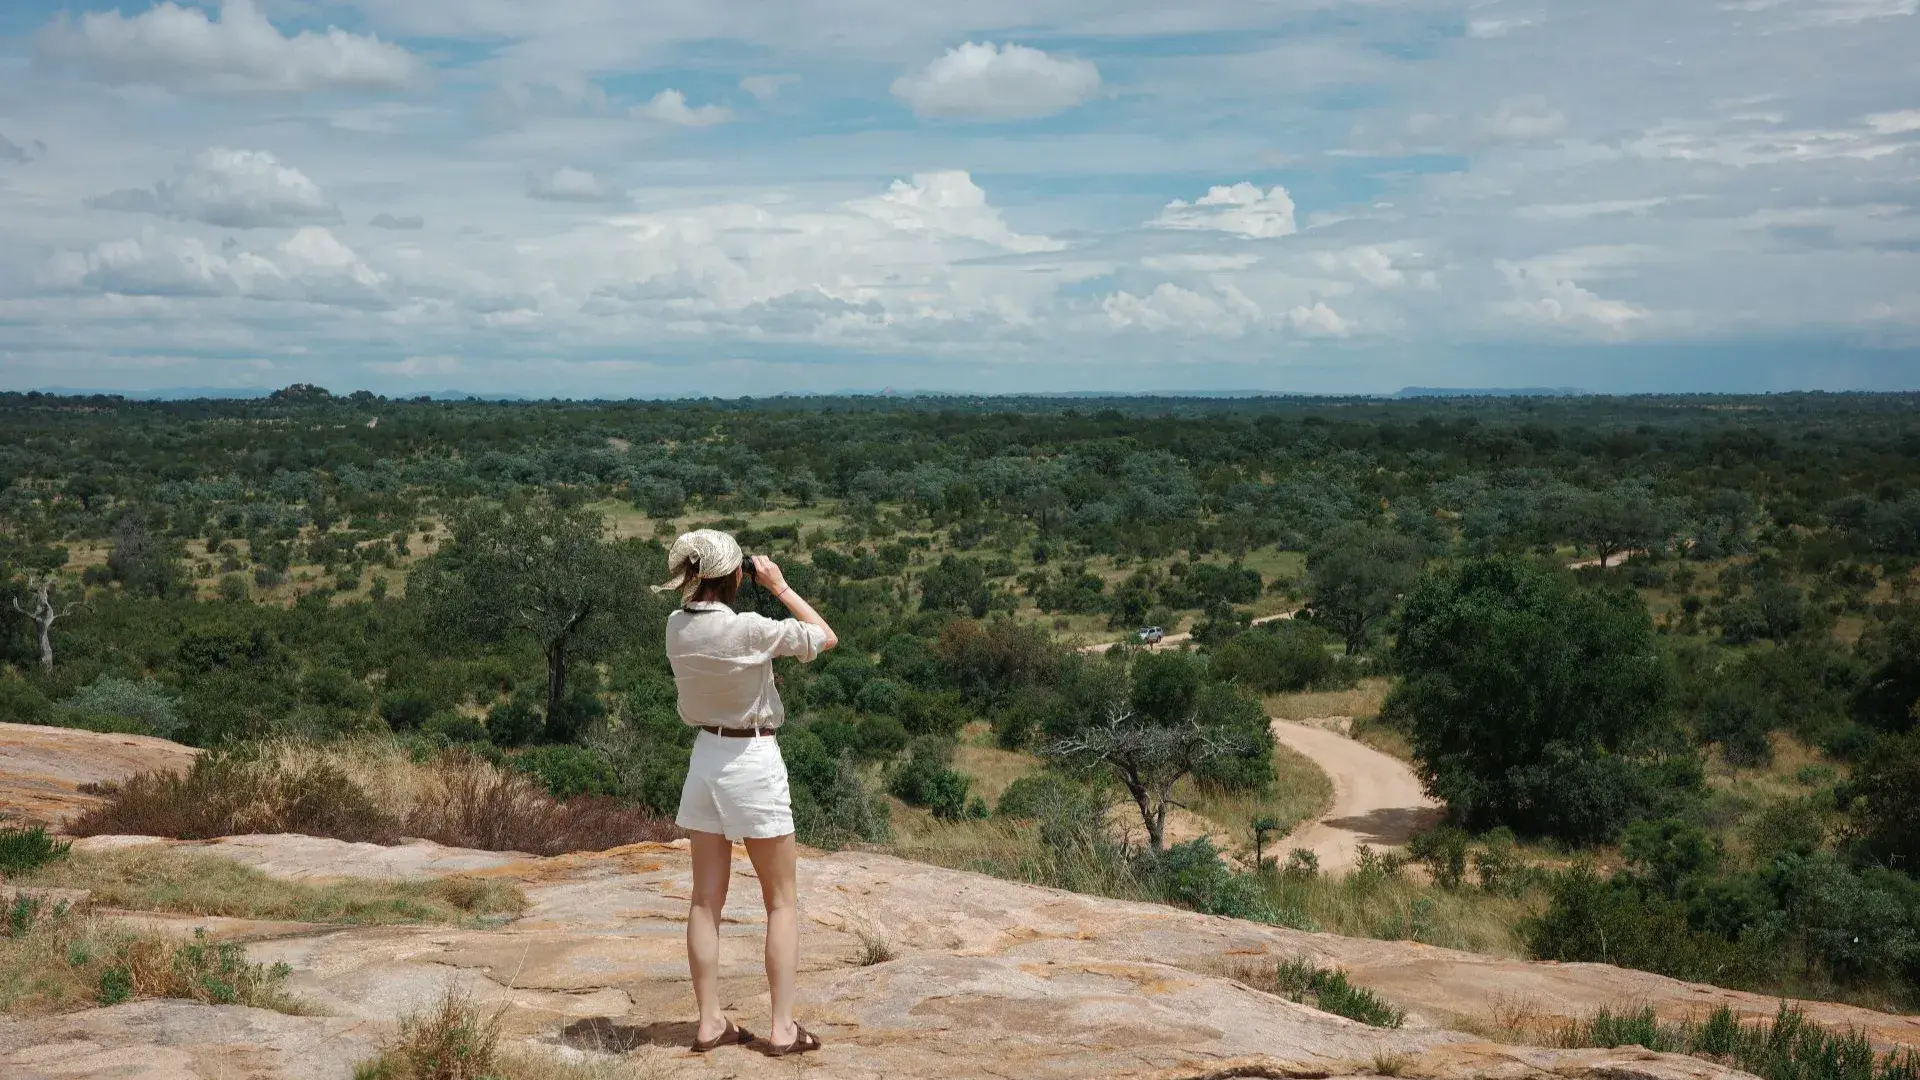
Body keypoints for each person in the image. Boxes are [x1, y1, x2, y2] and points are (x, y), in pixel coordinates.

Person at [652, 529, 836, 1057]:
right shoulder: (751, 629)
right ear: (737, 576)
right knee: (780, 901)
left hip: (705, 757)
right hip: (752, 758)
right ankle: (782, 1029)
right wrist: (778, 585)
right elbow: (824, 636)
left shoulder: (674, 627)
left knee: (704, 900)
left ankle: (710, 1022)